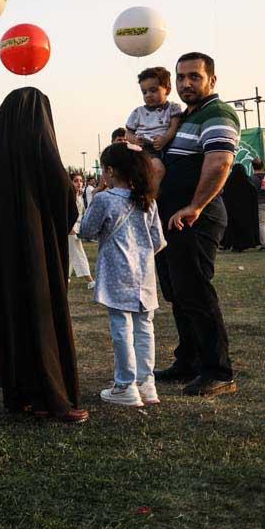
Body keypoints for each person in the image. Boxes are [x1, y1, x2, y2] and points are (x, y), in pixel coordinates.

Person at [0, 88, 87, 424]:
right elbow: (61, 185)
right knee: (40, 317)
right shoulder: (33, 131)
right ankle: (49, 398)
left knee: (10, 313)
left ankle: (18, 393)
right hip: (34, 242)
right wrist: (62, 214)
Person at [154, 52, 239, 397]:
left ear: (211, 81)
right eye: (180, 77)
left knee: (195, 292)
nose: (185, 84)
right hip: (172, 218)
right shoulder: (184, 117)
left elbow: (219, 162)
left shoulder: (217, 113)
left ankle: (218, 371)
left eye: (194, 77)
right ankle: (187, 360)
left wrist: (195, 206)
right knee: (177, 292)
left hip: (196, 217)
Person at [79, 144, 167, 407]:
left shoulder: (105, 199)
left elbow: (87, 230)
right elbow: (159, 240)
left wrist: (95, 195)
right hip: (145, 274)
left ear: (109, 170)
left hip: (117, 271)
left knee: (121, 327)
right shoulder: (147, 200)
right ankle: (146, 383)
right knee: (144, 327)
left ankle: (125, 385)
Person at [124, 66, 184, 187]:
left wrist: (165, 139)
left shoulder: (172, 108)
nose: (148, 95)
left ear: (167, 89)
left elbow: (174, 126)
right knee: (158, 170)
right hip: (147, 147)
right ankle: (150, 197)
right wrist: (135, 140)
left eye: (153, 90)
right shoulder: (138, 112)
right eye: (144, 92)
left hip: (166, 146)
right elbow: (128, 133)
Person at [220, 164, 259, 252]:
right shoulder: (248, 182)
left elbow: (224, 195)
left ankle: (231, 244)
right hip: (245, 212)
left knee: (232, 228)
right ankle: (242, 245)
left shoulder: (229, 182)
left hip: (231, 211)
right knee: (243, 228)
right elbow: (254, 196)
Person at [68, 172, 95, 288]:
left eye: (80, 181)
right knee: (79, 253)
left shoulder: (79, 196)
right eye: (76, 181)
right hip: (70, 229)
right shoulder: (69, 196)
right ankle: (90, 281)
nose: (79, 183)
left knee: (69, 254)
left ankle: (66, 277)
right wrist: (70, 227)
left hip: (77, 228)